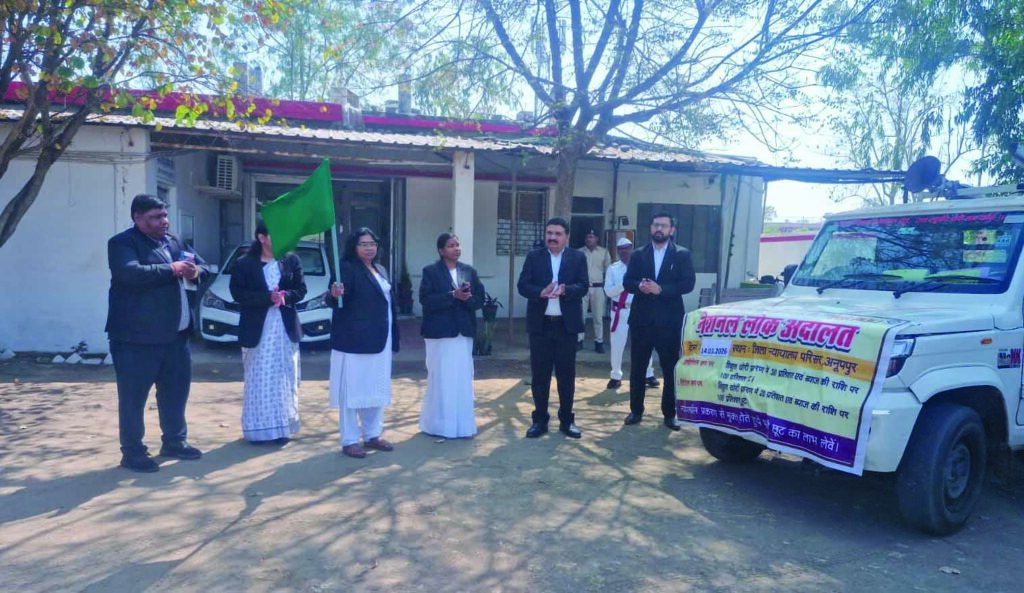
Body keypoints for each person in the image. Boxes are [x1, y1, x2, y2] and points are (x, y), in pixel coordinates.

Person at [106, 193, 209, 472]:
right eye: (155, 217)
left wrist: (195, 272)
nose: (163, 221)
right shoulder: (122, 243)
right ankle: (133, 452)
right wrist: (171, 269)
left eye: (164, 215)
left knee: (175, 393)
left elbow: (203, 266)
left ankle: (174, 441)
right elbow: (130, 273)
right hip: (136, 339)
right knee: (133, 398)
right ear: (137, 218)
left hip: (176, 337)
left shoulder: (173, 241)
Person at [229, 220, 307, 445]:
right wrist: (266, 298)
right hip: (258, 330)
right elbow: (237, 293)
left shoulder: (291, 261)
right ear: (262, 238)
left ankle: (282, 428)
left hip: (284, 330)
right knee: (259, 379)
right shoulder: (245, 263)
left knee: (284, 377)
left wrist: (285, 297)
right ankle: (258, 431)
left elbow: (301, 289)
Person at [327, 228, 400, 458]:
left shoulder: (380, 269)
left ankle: (372, 435)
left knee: (375, 387)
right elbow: (334, 298)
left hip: (380, 340)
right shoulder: (346, 268)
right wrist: (335, 295)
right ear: (354, 246)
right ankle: (349, 440)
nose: (369, 248)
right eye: (363, 244)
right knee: (352, 392)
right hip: (355, 340)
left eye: (372, 243)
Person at [623, 212, 696, 431]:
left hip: (669, 322)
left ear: (671, 230)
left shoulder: (681, 254)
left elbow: (688, 283)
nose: (659, 229)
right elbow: (628, 281)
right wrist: (639, 286)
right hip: (642, 321)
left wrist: (661, 289)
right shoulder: (638, 254)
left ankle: (669, 414)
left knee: (670, 369)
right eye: (656, 225)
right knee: (637, 368)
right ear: (650, 228)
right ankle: (636, 410)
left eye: (664, 226)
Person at [517, 217, 589, 439]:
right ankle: (540, 421)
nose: (552, 237)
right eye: (549, 233)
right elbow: (522, 285)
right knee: (540, 376)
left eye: (557, 234)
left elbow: (583, 286)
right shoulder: (534, 257)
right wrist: (540, 292)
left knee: (566, 376)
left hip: (566, 327)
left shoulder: (577, 257)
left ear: (566, 237)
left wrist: (567, 290)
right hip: (541, 326)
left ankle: (567, 420)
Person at [418, 233, 485, 438]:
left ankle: (462, 426)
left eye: (457, 244)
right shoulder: (431, 271)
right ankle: (438, 425)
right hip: (440, 333)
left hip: (463, 333)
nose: (456, 248)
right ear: (441, 250)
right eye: (451, 245)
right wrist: (452, 296)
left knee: (461, 378)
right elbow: (426, 300)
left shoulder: (468, 271)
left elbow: (480, 299)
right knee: (441, 378)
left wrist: (467, 298)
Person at [603, 236, 656, 390]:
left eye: (627, 248)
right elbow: (608, 291)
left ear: (632, 249)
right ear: (617, 251)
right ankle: (615, 376)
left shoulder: (642, 266)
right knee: (617, 344)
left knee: (644, 342)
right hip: (620, 309)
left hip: (639, 309)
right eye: (621, 249)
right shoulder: (613, 269)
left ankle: (648, 373)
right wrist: (625, 284)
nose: (624, 252)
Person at [578, 229, 611, 353]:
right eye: (587, 237)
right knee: (581, 316)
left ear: (596, 238)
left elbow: (608, 271)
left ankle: (599, 342)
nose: (589, 239)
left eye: (591, 236)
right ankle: (579, 340)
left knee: (598, 317)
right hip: (583, 287)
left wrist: (607, 288)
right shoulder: (579, 252)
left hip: (598, 287)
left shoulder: (604, 252)